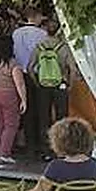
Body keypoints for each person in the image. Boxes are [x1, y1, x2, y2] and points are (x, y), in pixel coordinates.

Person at [27, 21, 77, 151]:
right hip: (60, 84)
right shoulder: (64, 47)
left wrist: (37, 82)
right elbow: (73, 69)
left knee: (44, 117)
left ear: (45, 30)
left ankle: (46, 149)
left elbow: (30, 68)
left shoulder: (39, 47)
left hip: (43, 86)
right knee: (62, 117)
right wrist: (70, 85)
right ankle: (63, 147)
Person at [0, 36, 27, 164]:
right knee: (11, 125)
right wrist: (24, 100)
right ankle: (5, 153)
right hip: (8, 96)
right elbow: (20, 84)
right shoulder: (12, 64)